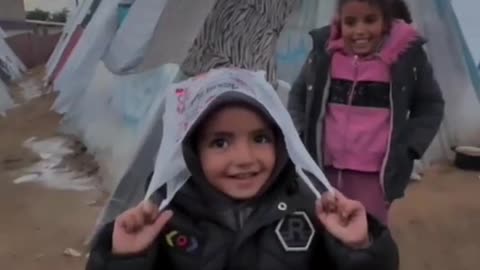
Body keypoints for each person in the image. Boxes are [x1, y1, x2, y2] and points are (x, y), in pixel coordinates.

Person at [87, 69, 398, 270]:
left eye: (260, 138)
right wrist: (124, 260)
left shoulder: (311, 212)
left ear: (282, 140)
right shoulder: (167, 220)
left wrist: (359, 249)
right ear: (193, 151)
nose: (245, 158)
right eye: (221, 143)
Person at [287, 0, 444, 224]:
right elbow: (298, 95)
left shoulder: (406, 59)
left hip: (373, 177)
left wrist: (409, 147)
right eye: (350, 22)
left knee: (367, 239)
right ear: (339, 23)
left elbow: (431, 104)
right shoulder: (324, 54)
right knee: (324, 233)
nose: (359, 31)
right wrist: (302, 135)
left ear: (385, 23)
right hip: (324, 171)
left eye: (370, 20)